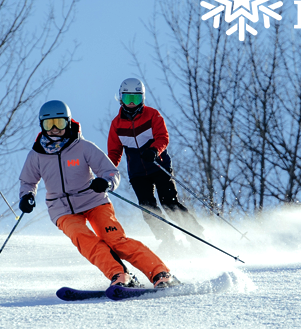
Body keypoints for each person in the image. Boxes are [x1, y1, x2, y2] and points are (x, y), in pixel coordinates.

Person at [18, 100, 180, 288]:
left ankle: (161, 273)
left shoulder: (84, 147)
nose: (54, 129)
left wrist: (105, 182)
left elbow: (111, 172)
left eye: (59, 123)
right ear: (42, 126)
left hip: (93, 201)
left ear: (68, 123)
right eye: (49, 124)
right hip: (61, 208)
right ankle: (120, 275)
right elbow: (28, 181)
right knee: (86, 242)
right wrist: (27, 196)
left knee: (115, 240)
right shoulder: (36, 154)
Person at [107, 78, 204, 249]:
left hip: (158, 166)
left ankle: (195, 234)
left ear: (142, 98)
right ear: (120, 98)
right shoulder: (116, 124)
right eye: (127, 98)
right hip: (137, 173)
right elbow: (114, 153)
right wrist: (106, 172)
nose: (131, 103)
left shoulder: (152, 115)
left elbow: (163, 137)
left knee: (169, 202)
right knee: (148, 208)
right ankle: (168, 240)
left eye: (135, 99)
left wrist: (154, 150)